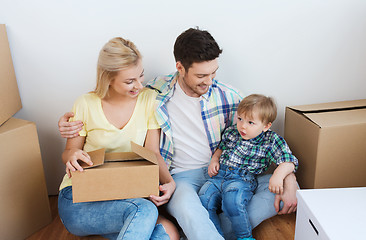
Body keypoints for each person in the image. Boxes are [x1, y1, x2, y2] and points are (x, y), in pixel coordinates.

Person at [58, 28, 299, 240]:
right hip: (183, 177)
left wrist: (290, 178)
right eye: (201, 76)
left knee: (273, 188)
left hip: (225, 171)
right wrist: (67, 127)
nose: (209, 81)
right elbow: (100, 112)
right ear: (180, 67)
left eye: (213, 73)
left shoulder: (228, 96)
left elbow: (265, 135)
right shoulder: (155, 93)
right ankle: (199, 228)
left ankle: (196, 231)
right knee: (183, 209)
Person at [57, 37, 179, 240]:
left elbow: (152, 153)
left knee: (168, 234)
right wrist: (72, 156)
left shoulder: (148, 100)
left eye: (141, 76)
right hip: (79, 198)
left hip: (125, 197)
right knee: (145, 211)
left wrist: (170, 182)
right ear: (108, 79)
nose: (139, 85)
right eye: (130, 81)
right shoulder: (85, 104)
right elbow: (68, 152)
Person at [199, 94, 299, 240]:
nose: (243, 126)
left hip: (241, 179)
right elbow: (221, 148)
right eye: (240, 119)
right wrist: (215, 159)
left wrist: (278, 175)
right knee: (203, 198)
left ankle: (245, 237)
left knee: (232, 201)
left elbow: (289, 161)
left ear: (266, 126)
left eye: (250, 122)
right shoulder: (232, 132)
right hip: (218, 176)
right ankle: (215, 236)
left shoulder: (270, 140)